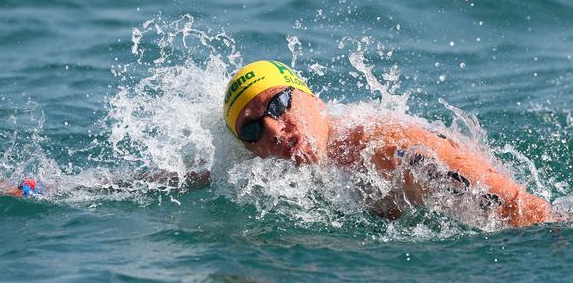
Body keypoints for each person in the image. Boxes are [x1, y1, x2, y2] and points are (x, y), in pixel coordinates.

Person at [223, 60, 559, 227]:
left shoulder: (385, 149)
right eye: (252, 131)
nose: (273, 130)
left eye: (279, 105)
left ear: (314, 98)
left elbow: (521, 210)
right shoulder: (270, 173)